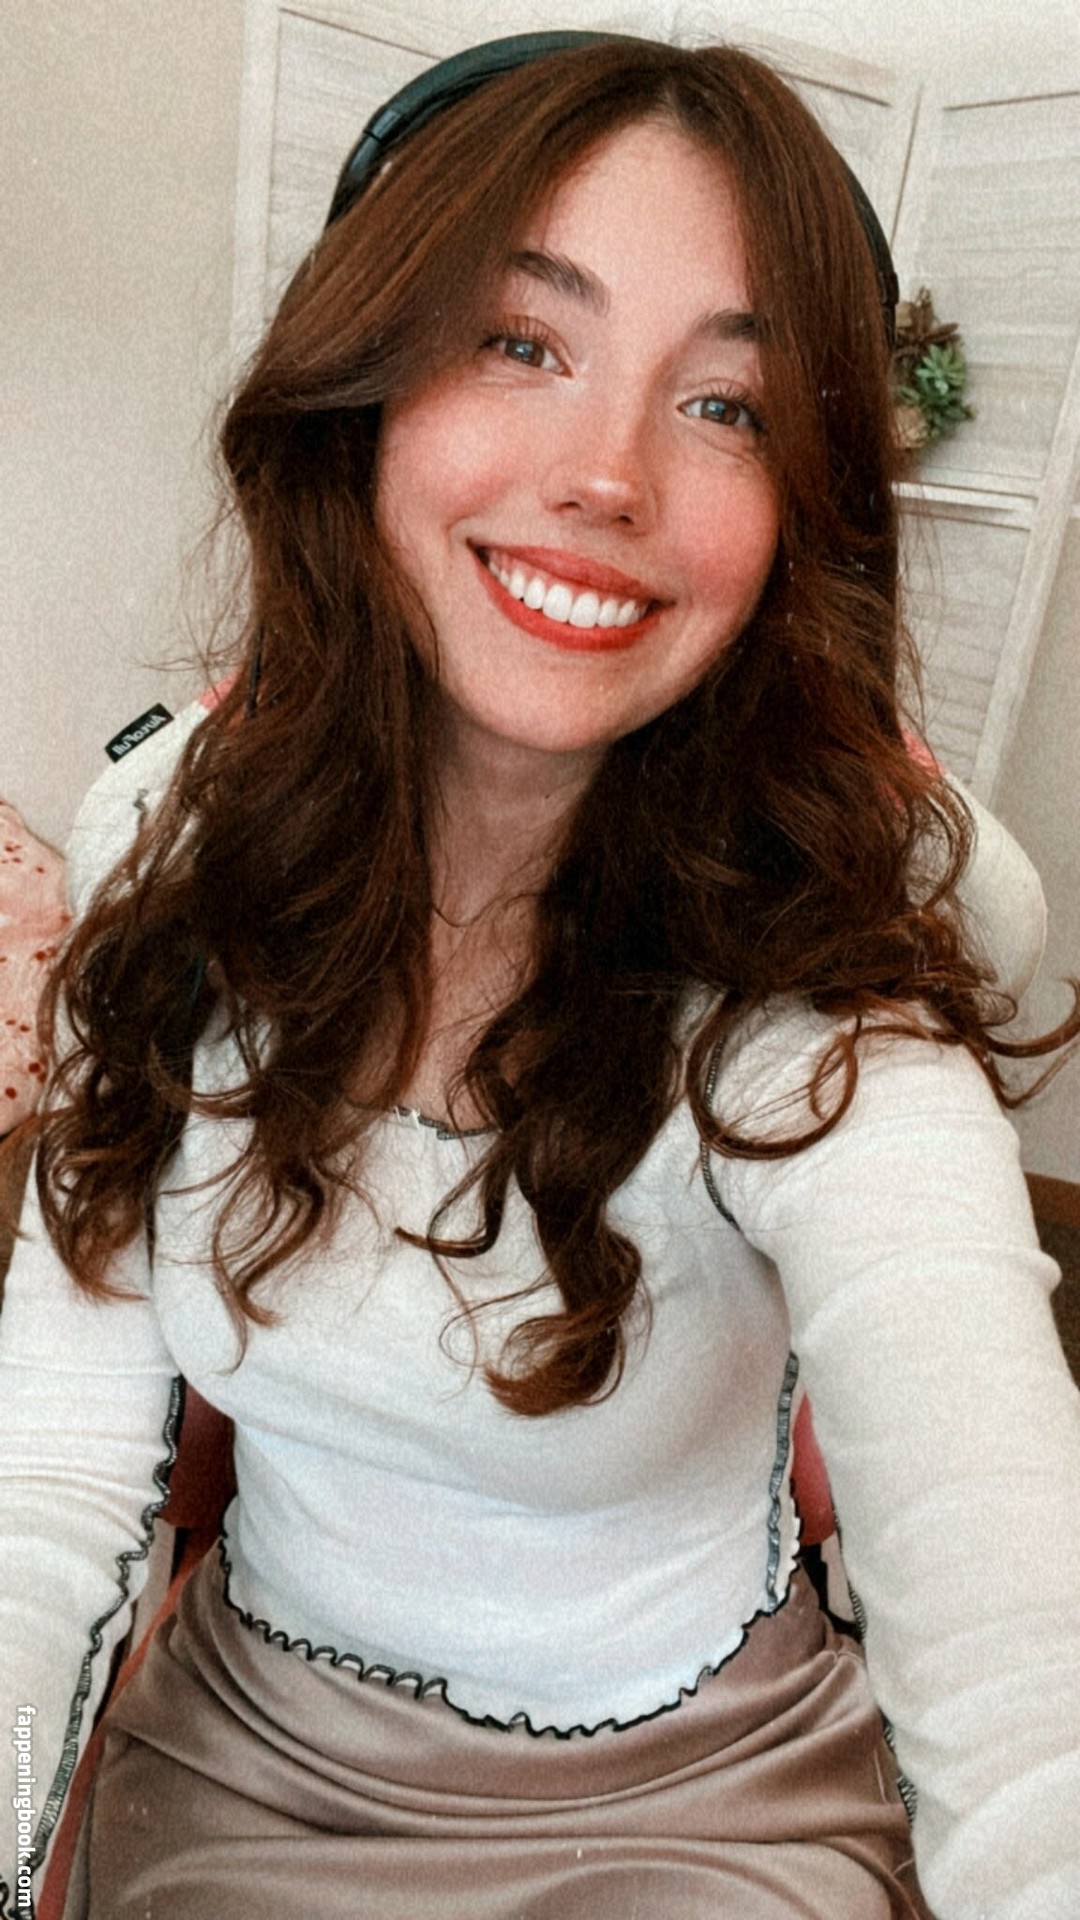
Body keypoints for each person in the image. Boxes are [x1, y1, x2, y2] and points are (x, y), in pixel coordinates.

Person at [2, 32, 1078, 1920]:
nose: (608, 475)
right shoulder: (166, 851)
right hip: (247, 1770)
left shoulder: (812, 989)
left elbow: (1021, 1645)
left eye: (727, 405)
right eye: (520, 340)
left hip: (706, 1794)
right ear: (362, 383)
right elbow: (51, 1481)